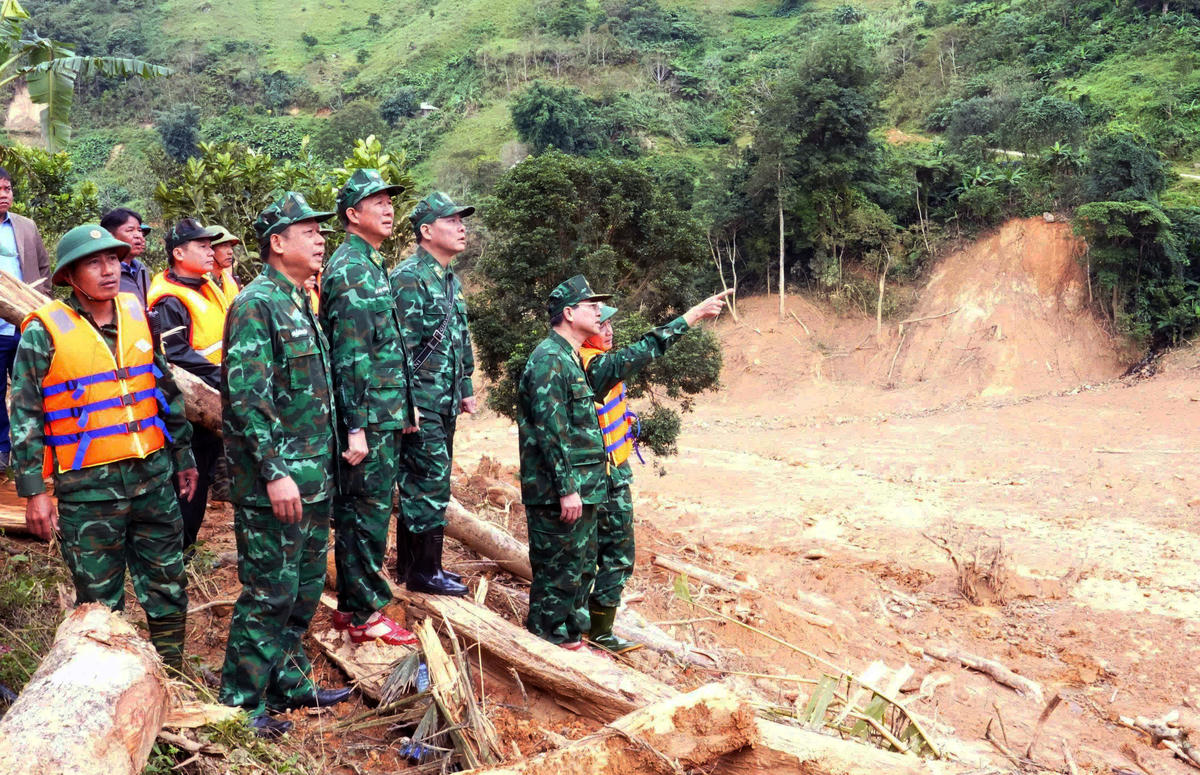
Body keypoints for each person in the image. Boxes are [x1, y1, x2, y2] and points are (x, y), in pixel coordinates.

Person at [9, 224, 195, 669]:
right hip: (87, 491)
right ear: (71, 276)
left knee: (168, 583)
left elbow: (163, 385)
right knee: (99, 601)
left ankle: (171, 673)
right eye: (94, 262)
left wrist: (183, 453)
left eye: (113, 259)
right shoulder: (44, 331)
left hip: (152, 478)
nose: (108, 269)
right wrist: (35, 491)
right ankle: (107, 683)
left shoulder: (136, 311)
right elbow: (25, 414)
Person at [517, 275, 730, 649]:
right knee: (559, 574)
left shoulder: (568, 358)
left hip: (586, 486)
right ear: (568, 313)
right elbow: (552, 431)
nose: (601, 316)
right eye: (592, 307)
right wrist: (567, 489)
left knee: (578, 570)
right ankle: (547, 647)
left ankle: (573, 640)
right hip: (561, 491)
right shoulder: (554, 360)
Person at [219, 192, 351, 738]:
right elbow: (247, 401)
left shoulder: (298, 299)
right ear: (277, 243)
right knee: (269, 591)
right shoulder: (256, 303)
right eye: (309, 231)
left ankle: (288, 682)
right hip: (277, 484)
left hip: (314, 480)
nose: (321, 239)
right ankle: (239, 704)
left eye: (322, 231)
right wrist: (274, 472)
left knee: (301, 591)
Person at [320, 169, 419, 645]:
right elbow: (350, 356)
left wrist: (405, 409)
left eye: (389, 200)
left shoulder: (372, 262)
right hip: (367, 419)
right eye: (375, 201)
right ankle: (363, 616)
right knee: (364, 513)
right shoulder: (351, 268)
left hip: (383, 413)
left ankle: (354, 607)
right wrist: (355, 427)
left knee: (371, 512)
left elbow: (385, 348)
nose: (387, 207)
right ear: (351, 214)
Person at [390, 192, 477, 597]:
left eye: (463, 221)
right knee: (427, 482)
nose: (462, 227)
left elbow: (459, 339)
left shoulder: (449, 279)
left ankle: (415, 567)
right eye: (452, 221)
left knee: (428, 480)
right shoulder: (409, 278)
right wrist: (406, 405)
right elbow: (398, 350)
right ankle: (423, 572)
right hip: (420, 402)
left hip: (443, 401)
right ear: (426, 231)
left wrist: (465, 387)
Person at [146, 218, 227, 552]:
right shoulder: (169, 299)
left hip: (213, 397)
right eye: (203, 246)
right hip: (188, 406)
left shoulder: (208, 286)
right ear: (178, 253)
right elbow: (176, 353)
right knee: (188, 478)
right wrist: (223, 378)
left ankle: (186, 546)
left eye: (211, 245)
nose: (211, 252)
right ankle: (177, 551)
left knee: (204, 474)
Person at [578, 305, 643, 654]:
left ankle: (593, 625)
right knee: (614, 553)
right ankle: (598, 631)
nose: (608, 330)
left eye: (610, 323)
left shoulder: (591, 361)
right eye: (600, 323)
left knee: (605, 553)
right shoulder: (591, 364)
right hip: (603, 477)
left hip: (613, 470)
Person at [0, 167, 51, 470]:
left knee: (33, 388)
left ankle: (34, 452)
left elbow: (43, 268)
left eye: (7, 188)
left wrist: (39, 302)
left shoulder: (26, 226)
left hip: (26, 324)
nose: (2, 194)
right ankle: (3, 450)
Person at [100, 208, 153, 307]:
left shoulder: (140, 268)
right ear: (110, 236)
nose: (139, 236)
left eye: (139, 230)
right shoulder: (105, 273)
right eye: (130, 230)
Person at [208, 225, 241, 306]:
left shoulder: (228, 280)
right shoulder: (201, 281)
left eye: (230, 246)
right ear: (209, 249)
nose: (230, 251)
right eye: (224, 246)